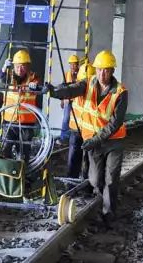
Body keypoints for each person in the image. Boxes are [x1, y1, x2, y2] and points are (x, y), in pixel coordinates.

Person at [46, 50, 125, 225]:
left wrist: (94, 140)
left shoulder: (120, 92)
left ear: (112, 71)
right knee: (95, 180)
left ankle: (108, 215)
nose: (102, 73)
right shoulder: (88, 83)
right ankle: (99, 203)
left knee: (111, 179)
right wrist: (52, 91)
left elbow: (114, 124)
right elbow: (70, 89)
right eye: (99, 70)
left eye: (105, 70)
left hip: (113, 143)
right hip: (94, 143)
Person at [0, 49, 41, 161]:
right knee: (5, 150)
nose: (20, 69)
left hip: (26, 124)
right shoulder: (9, 76)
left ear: (27, 67)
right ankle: (7, 174)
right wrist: (4, 68)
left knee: (23, 153)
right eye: (17, 66)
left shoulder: (33, 78)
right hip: (9, 121)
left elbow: (38, 88)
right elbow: (1, 78)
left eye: (23, 66)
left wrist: (34, 86)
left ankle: (22, 175)